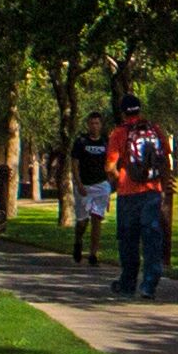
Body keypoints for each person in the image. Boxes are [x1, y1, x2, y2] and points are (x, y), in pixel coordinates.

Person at [105, 93, 178, 298]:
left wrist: (117, 180)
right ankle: (149, 284)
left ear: (122, 111)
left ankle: (128, 283)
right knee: (151, 238)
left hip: (128, 194)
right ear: (139, 109)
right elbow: (165, 160)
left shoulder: (119, 133)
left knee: (128, 240)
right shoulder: (155, 130)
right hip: (152, 192)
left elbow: (110, 166)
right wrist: (164, 185)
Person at [66, 112, 116, 267]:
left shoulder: (106, 143)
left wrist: (110, 185)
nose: (94, 126)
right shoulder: (81, 142)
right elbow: (74, 164)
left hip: (101, 185)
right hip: (84, 185)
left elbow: (110, 164)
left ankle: (93, 254)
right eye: (92, 123)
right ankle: (78, 241)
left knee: (97, 219)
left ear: (101, 125)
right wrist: (78, 183)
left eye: (97, 123)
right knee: (82, 221)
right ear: (88, 124)